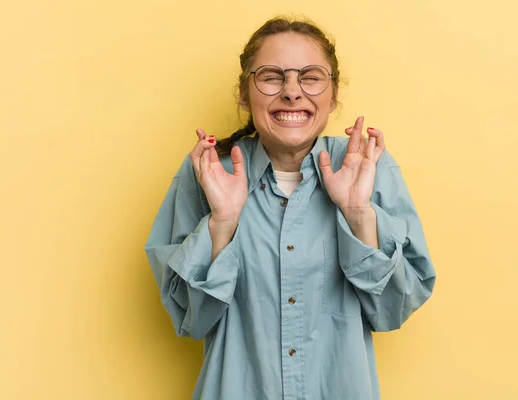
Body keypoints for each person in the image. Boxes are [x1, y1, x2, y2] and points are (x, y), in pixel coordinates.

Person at [144, 16, 436, 400]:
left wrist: (358, 214)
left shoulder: (367, 166)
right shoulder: (208, 170)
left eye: (311, 77)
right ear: (244, 94)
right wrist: (223, 222)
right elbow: (190, 319)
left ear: (333, 95)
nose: (293, 92)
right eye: (271, 76)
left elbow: (393, 311)